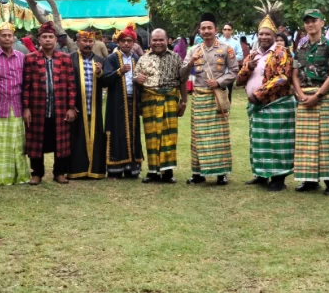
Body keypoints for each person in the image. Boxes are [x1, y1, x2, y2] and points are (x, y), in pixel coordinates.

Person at [236, 4, 295, 191]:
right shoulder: (253, 55)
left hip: (276, 105)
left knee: (276, 143)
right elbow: (239, 81)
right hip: (257, 107)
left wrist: (258, 94)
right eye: (261, 34)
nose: (263, 37)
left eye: (267, 34)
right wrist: (248, 68)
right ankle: (261, 174)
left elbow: (283, 77)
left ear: (274, 35)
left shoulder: (281, 52)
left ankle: (278, 179)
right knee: (259, 142)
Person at [181, 13, 238, 186]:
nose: (206, 31)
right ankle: (198, 173)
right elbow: (181, 75)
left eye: (209, 28)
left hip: (216, 99)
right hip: (199, 98)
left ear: (216, 30)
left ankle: (221, 174)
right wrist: (190, 64)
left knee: (219, 137)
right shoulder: (193, 50)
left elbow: (234, 71)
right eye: (203, 28)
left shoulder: (226, 48)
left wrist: (219, 81)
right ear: (199, 31)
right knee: (198, 137)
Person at [292, 9, 329, 195]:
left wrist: (317, 96)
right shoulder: (300, 49)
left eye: (314, 21)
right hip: (304, 98)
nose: (310, 24)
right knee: (305, 140)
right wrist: (299, 94)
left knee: (326, 141)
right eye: (307, 21)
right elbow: (294, 75)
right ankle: (309, 180)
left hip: (324, 97)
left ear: (322, 23)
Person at [23, 22, 76, 185]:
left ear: (55, 40)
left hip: (59, 107)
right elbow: (26, 85)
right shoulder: (30, 58)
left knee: (61, 140)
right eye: (44, 37)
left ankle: (59, 172)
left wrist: (71, 107)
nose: (47, 40)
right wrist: (26, 108)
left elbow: (71, 84)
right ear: (39, 40)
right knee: (36, 140)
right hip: (38, 108)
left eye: (50, 37)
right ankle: (37, 173)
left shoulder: (65, 59)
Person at [135, 29, 187, 184]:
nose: (157, 43)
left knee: (169, 136)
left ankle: (167, 172)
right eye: (154, 40)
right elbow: (135, 80)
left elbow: (182, 80)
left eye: (161, 40)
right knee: (151, 136)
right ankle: (152, 172)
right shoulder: (142, 59)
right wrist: (137, 79)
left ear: (167, 40)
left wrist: (183, 101)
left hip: (170, 100)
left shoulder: (176, 58)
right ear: (150, 41)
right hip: (149, 99)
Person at [0, 22, 30, 186]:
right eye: (3, 35)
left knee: (17, 143)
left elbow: (26, 84)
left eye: (9, 35)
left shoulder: (21, 57)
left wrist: (26, 108)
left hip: (17, 106)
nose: (7, 38)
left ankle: (20, 176)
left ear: (14, 38)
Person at [102, 23, 143, 179]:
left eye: (129, 41)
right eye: (123, 41)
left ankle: (132, 167)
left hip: (132, 100)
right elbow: (105, 80)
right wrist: (119, 71)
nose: (126, 43)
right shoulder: (112, 58)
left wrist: (140, 80)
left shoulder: (136, 58)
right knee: (117, 132)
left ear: (133, 43)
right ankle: (115, 167)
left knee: (133, 133)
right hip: (116, 101)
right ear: (118, 43)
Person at [69, 31, 106, 179]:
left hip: (95, 106)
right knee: (77, 138)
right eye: (85, 41)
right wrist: (70, 105)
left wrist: (100, 73)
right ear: (78, 41)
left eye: (91, 41)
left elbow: (106, 82)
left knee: (96, 137)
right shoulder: (70, 59)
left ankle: (95, 170)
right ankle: (77, 170)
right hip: (77, 106)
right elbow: (66, 83)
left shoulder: (100, 60)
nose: (88, 44)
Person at [218, 23, 243, 102]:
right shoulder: (218, 42)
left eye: (229, 29)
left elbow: (240, 55)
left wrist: (230, 58)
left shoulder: (235, 42)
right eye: (225, 29)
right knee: (218, 91)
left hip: (230, 71)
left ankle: (227, 111)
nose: (227, 31)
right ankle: (219, 110)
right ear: (222, 31)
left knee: (228, 92)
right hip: (219, 71)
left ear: (232, 31)